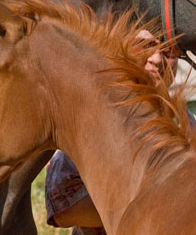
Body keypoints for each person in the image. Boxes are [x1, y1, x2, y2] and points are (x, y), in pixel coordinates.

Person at [45, 30, 179, 235]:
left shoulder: (182, 121)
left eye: (169, 51)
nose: (157, 59)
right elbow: (65, 208)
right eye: (145, 46)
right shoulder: (97, 113)